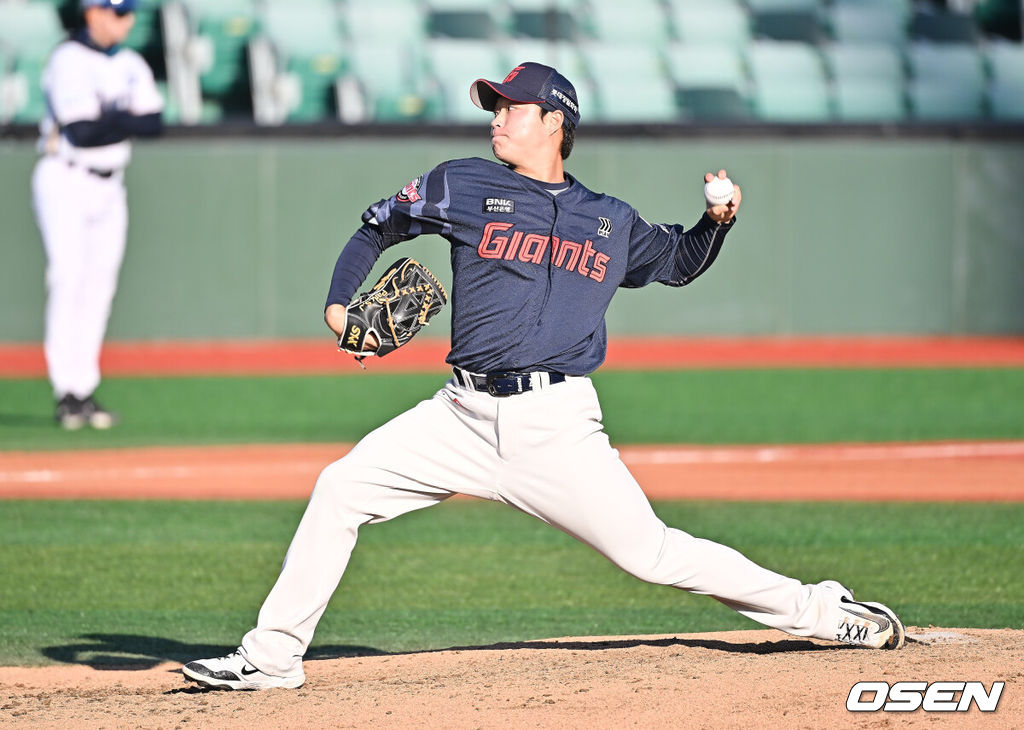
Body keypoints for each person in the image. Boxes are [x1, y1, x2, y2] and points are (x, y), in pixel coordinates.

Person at [182, 62, 905, 691]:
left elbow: (679, 263)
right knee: (341, 486)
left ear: (554, 122)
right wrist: (340, 302)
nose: (497, 118)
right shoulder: (460, 183)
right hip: (457, 416)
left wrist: (717, 220)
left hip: (555, 427)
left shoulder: (610, 221)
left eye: (510, 107)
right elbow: (378, 224)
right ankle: (272, 658)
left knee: (651, 554)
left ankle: (826, 612)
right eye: (494, 107)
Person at [32, 0, 164, 430]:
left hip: (111, 184)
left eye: (128, 12)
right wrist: (126, 117)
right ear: (93, 13)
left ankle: (84, 388)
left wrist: (112, 117)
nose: (126, 20)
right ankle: (64, 390)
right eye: (118, 12)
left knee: (100, 285)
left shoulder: (129, 61)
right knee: (68, 276)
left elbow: (155, 123)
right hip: (66, 177)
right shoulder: (67, 60)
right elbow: (82, 132)